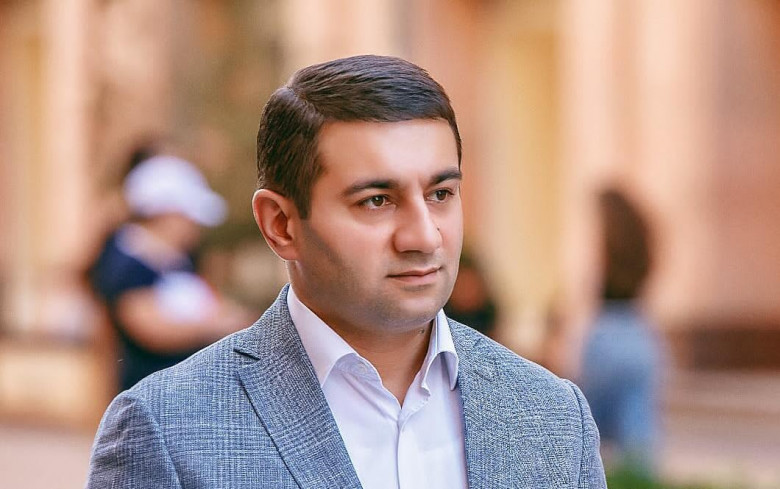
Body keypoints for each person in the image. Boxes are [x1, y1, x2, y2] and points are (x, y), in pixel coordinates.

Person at [86, 55, 606, 488]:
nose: (424, 236)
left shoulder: (554, 416)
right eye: (377, 200)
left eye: (441, 194)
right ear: (281, 224)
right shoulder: (167, 431)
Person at [89, 153, 248, 391]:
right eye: (188, 217)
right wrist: (216, 326)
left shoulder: (178, 260)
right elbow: (149, 328)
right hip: (149, 391)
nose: (195, 227)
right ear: (166, 214)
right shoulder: (128, 262)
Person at [579, 189, 664, 477]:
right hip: (639, 330)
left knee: (584, 430)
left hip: (607, 330)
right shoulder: (638, 237)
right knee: (638, 445)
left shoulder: (606, 242)